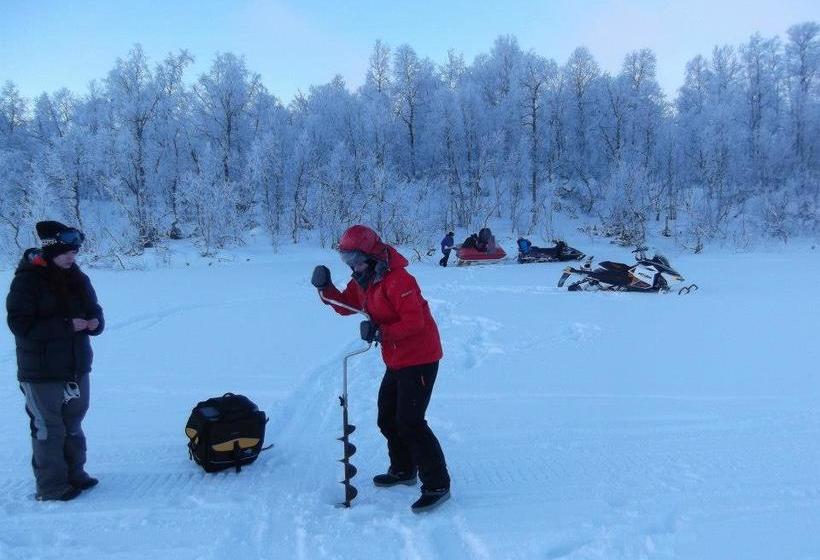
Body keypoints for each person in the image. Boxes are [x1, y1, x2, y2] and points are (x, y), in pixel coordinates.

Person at [311, 224, 451, 512]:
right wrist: (324, 288)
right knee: (387, 418)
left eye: (354, 259)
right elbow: (346, 305)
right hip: (397, 358)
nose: (351, 266)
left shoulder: (400, 280)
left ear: (371, 254)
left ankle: (437, 484)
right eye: (345, 260)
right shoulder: (365, 278)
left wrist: (380, 333)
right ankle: (403, 469)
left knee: (411, 421)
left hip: (421, 357)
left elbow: (415, 323)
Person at [6, 221, 104, 501]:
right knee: (48, 427)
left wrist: (95, 322)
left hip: (75, 365)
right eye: (66, 252)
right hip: (41, 371)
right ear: (50, 251)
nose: (72, 257)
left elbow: (94, 308)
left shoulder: (77, 277)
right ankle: (51, 486)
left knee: (73, 421)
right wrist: (66, 326)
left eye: (74, 252)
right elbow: (20, 324)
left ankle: (75, 474)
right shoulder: (27, 280)